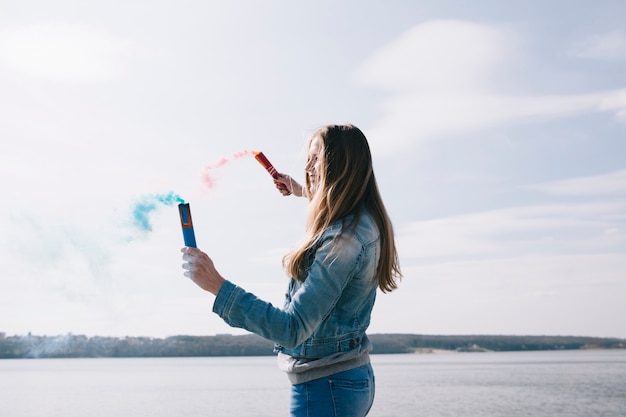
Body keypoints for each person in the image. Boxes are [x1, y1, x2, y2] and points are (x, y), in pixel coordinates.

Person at [181, 123, 402, 417]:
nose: (307, 168)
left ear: (340, 168)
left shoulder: (343, 242)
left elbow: (292, 329)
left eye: (316, 160)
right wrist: (301, 190)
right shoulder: (362, 218)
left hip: (326, 388)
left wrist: (217, 285)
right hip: (344, 381)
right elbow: (337, 202)